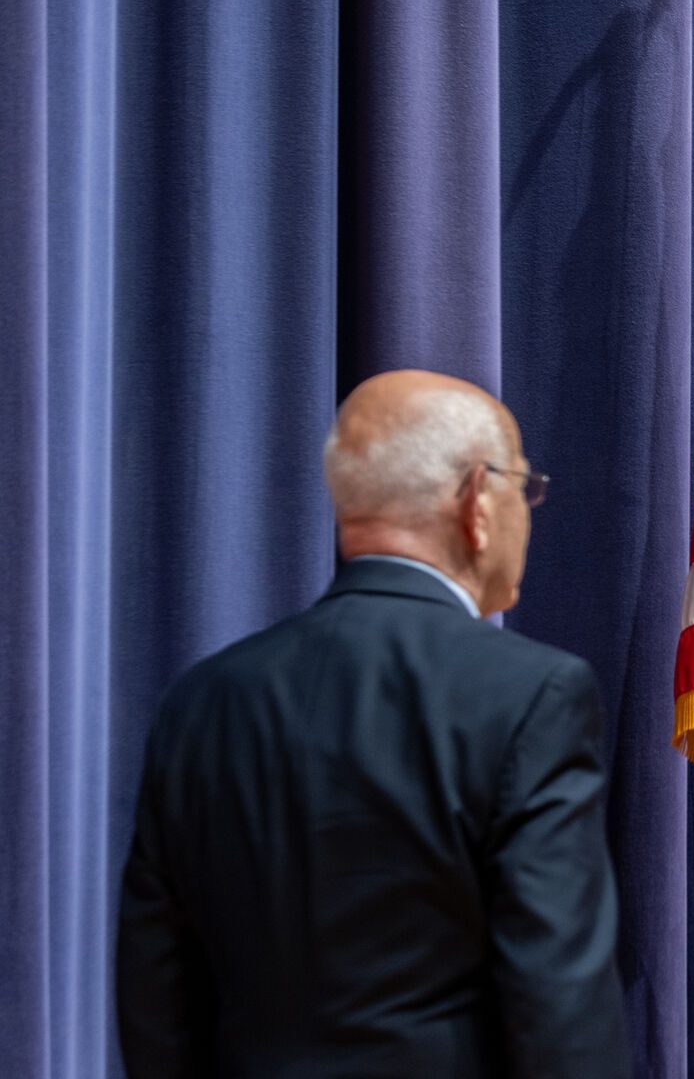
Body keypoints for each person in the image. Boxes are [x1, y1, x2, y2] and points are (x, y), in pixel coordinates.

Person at [116, 370, 630, 1078]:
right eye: (524, 486)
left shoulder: (202, 703)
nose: (529, 510)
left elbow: (156, 1002)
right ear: (477, 498)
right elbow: (560, 1012)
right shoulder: (532, 696)